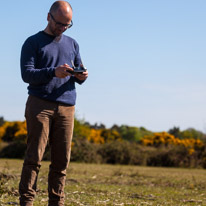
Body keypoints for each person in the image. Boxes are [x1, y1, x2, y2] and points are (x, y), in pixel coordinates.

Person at [19, 1, 88, 205]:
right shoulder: (32, 42)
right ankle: (26, 201)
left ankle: (56, 202)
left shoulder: (73, 43)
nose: (63, 28)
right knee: (34, 158)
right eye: (60, 23)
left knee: (61, 161)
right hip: (40, 105)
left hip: (67, 107)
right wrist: (52, 72)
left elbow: (77, 70)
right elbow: (27, 74)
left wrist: (81, 76)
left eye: (68, 24)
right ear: (48, 17)